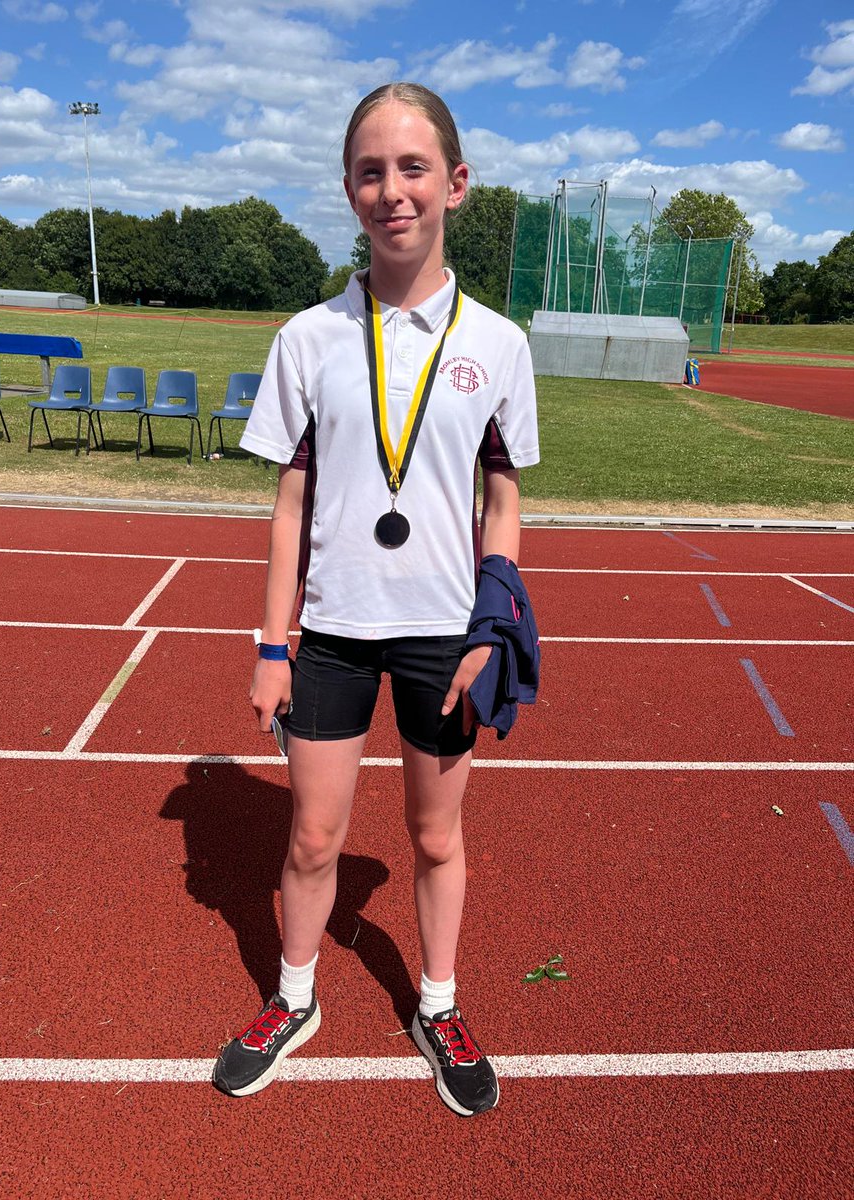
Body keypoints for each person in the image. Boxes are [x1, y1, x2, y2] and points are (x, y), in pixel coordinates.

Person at [212, 81, 539, 1117]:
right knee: (312, 839)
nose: (391, 190)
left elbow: (503, 494)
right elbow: (289, 502)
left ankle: (436, 1004)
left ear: (456, 183)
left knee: (436, 837)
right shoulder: (308, 337)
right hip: (333, 636)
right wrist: (273, 645)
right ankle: (295, 996)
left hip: (445, 636)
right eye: (370, 170)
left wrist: (493, 621)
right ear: (348, 189)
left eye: (411, 167)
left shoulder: (500, 344)